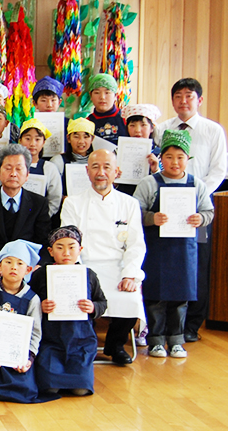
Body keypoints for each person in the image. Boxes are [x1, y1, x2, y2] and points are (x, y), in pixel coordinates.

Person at [154, 78, 227, 343]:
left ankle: (191, 326)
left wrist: (195, 195)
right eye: (178, 96)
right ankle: (160, 326)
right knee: (165, 262)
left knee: (196, 263)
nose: (183, 101)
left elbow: (218, 170)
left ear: (199, 100)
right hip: (165, 208)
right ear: (172, 100)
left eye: (189, 96)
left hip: (197, 209)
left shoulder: (212, 130)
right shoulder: (161, 129)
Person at [60, 149, 146, 365]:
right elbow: (69, 245)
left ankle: (115, 344)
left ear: (116, 172)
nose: (101, 172)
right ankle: (85, 344)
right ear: (87, 171)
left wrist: (130, 274)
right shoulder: (73, 203)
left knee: (131, 299)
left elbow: (136, 244)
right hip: (85, 266)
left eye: (107, 167)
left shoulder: (129, 204)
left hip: (118, 267)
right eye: (95, 167)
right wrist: (79, 274)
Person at [133, 129, 213, 358]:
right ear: (161, 159)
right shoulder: (149, 183)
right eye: (169, 157)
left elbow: (209, 211)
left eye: (180, 157)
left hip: (184, 250)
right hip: (156, 250)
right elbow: (135, 211)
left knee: (181, 296)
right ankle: (156, 340)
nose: (174, 162)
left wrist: (201, 219)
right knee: (155, 295)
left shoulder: (197, 184)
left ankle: (177, 340)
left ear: (188, 159)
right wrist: (151, 218)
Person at [0, 240, 57, 403]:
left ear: (28, 270)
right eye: (8, 262)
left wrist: (28, 360)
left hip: (17, 358)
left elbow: (35, 334)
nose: (13, 267)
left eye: (19, 263)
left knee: (25, 389)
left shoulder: (33, 299)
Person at [28, 226, 107, 396]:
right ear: (50, 251)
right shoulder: (41, 275)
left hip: (80, 340)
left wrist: (93, 307)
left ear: (80, 250)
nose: (66, 252)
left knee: (80, 390)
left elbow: (102, 302)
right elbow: (27, 300)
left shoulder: (88, 274)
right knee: (50, 389)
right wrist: (40, 307)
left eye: (72, 247)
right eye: (59, 247)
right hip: (50, 340)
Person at [0, 144, 50, 291]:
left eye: (19, 169)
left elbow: (43, 241)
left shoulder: (39, 203)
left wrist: (38, 266)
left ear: (27, 175)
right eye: (8, 168)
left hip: (27, 269)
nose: (13, 173)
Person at [18, 118, 62, 217]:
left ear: (44, 142)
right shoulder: (13, 166)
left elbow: (54, 200)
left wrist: (43, 217)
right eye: (27, 139)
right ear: (20, 140)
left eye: (37, 139)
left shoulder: (50, 168)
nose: (32, 143)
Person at [116, 104, 162, 197]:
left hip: (149, 202)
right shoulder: (117, 153)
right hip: (124, 199)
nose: (137, 130)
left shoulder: (160, 154)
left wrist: (156, 170)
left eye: (143, 125)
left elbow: (165, 186)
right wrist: (114, 179)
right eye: (132, 125)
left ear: (152, 128)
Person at [50, 118, 95, 189]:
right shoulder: (58, 161)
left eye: (86, 137)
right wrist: (62, 197)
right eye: (76, 137)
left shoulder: (97, 162)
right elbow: (51, 188)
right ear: (68, 138)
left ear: (92, 139)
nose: (81, 141)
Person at [85, 73, 127, 145]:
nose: (102, 97)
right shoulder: (86, 122)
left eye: (107, 93)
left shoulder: (126, 119)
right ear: (90, 96)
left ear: (115, 96)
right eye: (97, 93)